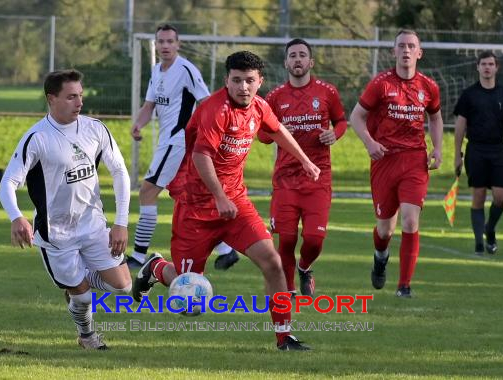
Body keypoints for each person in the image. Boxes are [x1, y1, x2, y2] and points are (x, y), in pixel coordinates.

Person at [133, 51, 320, 350]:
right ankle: (155, 267)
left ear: (260, 81)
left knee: (272, 262)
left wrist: (305, 160)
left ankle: (285, 336)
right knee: (186, 290)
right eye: (236, 81)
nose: (242, 87)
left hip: (236, 205)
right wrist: (218, 196)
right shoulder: (214, 110)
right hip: (196, 209)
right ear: (226, 81)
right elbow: (200, 154)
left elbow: (278, 131)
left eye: (249, 81)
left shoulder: (259, 107)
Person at [0, 69, 132, 350]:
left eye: (80, 95)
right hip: (57, 234)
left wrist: (120, 222)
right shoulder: (37, 138)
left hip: (93, 226)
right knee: (82, 298)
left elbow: (120, 172)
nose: (79, 102)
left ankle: (80, 281)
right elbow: (7, 183)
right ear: (52, 99)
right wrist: (16, 217)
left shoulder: (95, 128)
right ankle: (87, 336)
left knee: (123, 287)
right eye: (71, 97)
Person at [129, 24, 238, 270]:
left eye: (170, 41)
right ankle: (226, 250)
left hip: (178, 142)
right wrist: (138, 125)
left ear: (178, 44)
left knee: (147, 192)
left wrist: (210, 135)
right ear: (156, 45)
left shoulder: (187, 70)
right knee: (189, 198)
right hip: (168, 142)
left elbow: (208, 103)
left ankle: (137, 256)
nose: (165, 46)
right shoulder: (156, 71)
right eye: (161, 42)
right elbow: (149, 106)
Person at [349, 29, 443, 298]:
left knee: (411, 221)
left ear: (419, 52)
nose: (406, 50)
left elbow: (435, 118)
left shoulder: (428, 86)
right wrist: (370, 143)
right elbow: (357, 117)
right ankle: (380, 256)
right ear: (393, 51)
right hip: (385, 161)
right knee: (385, 227)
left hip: (415, 160)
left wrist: (437, 148)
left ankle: (404, 287)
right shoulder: (380, 84)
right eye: (401, 46)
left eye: (411, 46)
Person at [258, 38, 347, 298]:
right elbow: (263, 135)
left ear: (311, 62)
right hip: (285, 179)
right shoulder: (274, 97)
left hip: (318, 176)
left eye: (302, 55)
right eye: (292, 56)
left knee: (314, 240)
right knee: (285, 239)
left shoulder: (327, 92)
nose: (297, 59)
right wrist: (280, 132)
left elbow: (341, 122)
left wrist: (335, 134)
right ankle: (290, 290)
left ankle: (305, 266)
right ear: (286, 62)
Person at [454, 51, 503, 255]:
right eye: (483, 64)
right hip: (476, 150)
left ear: (497, 67)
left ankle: (490, 229)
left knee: (501, 197)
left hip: (499, 149)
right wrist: (457, 154)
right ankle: (479, 242)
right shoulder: (469, 95)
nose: (487, 67)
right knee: (478, 196)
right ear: (478, 67)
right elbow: (460, 126)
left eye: (491, 64)